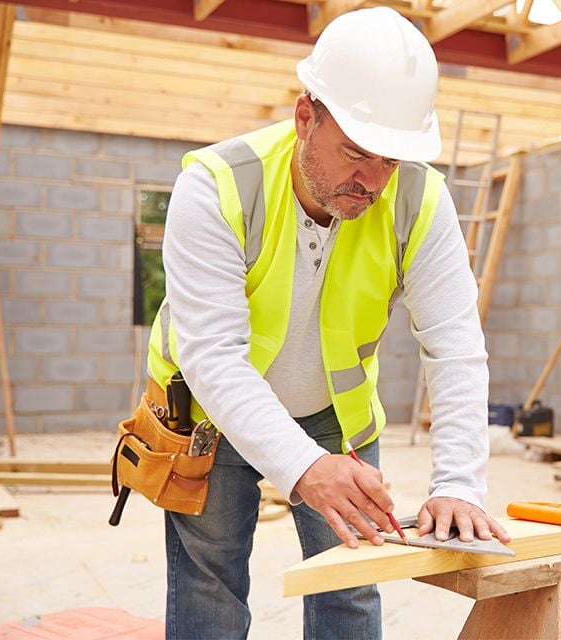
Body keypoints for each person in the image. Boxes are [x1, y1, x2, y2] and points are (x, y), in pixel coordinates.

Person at [147, 7, 509, 639]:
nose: (371, 182)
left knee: (350, 584)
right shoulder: (216, 187)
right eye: (355, 154)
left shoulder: (420, 201)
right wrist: (303, 468)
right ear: (305, 117)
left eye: (390, 161)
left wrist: (458, 483)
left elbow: (454, 345)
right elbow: (212, 355)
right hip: (210, 411)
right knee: (211, 587)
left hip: (334, 415)